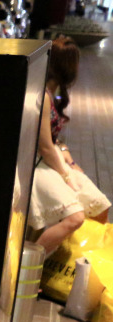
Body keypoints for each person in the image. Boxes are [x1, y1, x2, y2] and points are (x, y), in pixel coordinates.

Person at [31, 35, 110, 254]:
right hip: (39, 164)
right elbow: (45, 147)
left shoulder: (53, 92)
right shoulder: (43, 96)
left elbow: (53, 142)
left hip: (52, 159)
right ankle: (28, 267)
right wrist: (66, 176)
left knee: (100, 207)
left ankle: (58, 262)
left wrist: (68, 157)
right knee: (75, 217)